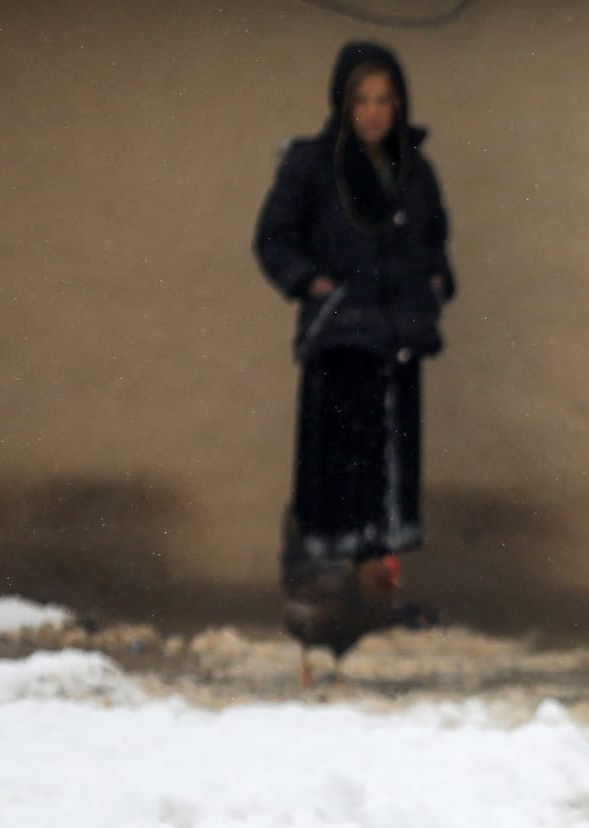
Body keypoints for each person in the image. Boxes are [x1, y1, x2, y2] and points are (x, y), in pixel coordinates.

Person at [253, 41, 455, 564]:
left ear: (400, 105)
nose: (373, 112)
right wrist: (312, 284)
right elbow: (273, 239)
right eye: (361, 99)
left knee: (392, 469)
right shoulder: (311, 166)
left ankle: (380, 594)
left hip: (399, 339)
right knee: (338, 470)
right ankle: (334, 592)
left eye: (385, 100)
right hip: (341, 337)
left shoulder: (415, 171)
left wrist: (434, 283)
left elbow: (434, 239)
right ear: (343, 103)